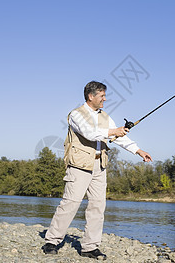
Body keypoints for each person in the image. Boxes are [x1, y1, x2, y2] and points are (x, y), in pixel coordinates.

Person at [42, 81, 152, 260]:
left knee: (98, 207)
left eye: (105, 95)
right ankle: (51, 241)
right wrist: (113, 131)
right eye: (102, 96)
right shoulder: (76, 115)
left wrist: (138, 150)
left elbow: (117, 137)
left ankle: (90, 247)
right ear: (90, 96)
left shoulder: (105, 116)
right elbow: (90, 133)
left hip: (100, 166)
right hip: (79, 165)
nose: (105, 99)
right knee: (70, 204)